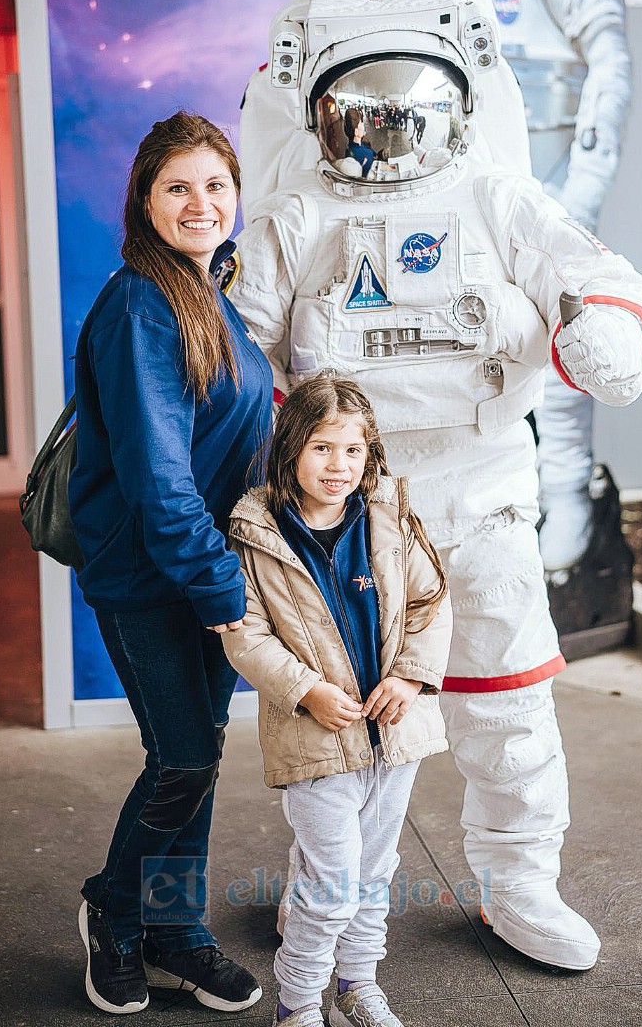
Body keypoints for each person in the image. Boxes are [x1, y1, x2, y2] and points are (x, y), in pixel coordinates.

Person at [230, 0, 642, 971]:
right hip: (350, 507)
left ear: (453, 105)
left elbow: (598, 276)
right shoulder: (296, 216)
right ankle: (329, 887)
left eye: (399, 111)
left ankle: (519, 882)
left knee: (505, 697)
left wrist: (599, 333)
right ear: (319, 114)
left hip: (482, 488)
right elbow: (233, 344)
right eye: (353, 115)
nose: (378, 135)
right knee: (347, 713)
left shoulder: (496, 196)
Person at [69, 111, 272, 1015]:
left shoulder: (209, 291)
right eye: (177, 187)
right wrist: (226, 592)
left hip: (204, 571)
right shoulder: (139, 304)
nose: (200, 202)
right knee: (182, 755)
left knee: (200, 756)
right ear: (144, 200)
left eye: (215, 185)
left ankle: (174, 927)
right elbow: (157, 477)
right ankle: (116, 911)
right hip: (152, 576)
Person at [387, 0, 635, 649]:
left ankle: (565, 514)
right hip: (463, 191)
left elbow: (610, 72)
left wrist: (575, 202)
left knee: (565, 340)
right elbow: (393, 53)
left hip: (555, 185)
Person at [222, 375, 453, 1027]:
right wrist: (307, 691)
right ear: (291, 447)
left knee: (375, 874)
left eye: (354, 451)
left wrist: (409, 678)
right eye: (324, 449)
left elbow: (430, 603)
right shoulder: (254, 531)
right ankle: (297, 1006)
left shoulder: (388, 517)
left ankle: (357, 986)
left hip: (393, 733)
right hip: (314, 739)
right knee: (329, 886)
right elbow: (246, 637)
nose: (339, 466)